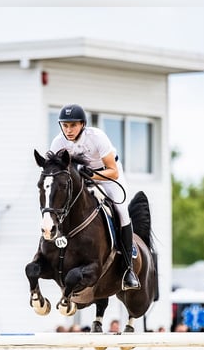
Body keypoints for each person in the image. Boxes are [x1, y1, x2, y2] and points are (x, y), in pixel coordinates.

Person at [50, 103, 140, 290]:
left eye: (73, 125)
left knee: (121, 210)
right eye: (65, 125)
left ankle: (127, 269)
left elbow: (113, 171)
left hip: (107, 176)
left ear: (82, 124)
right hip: (82, 180)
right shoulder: (58, 143)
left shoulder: (97, 137)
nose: (69, 130)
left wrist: (90, 175)